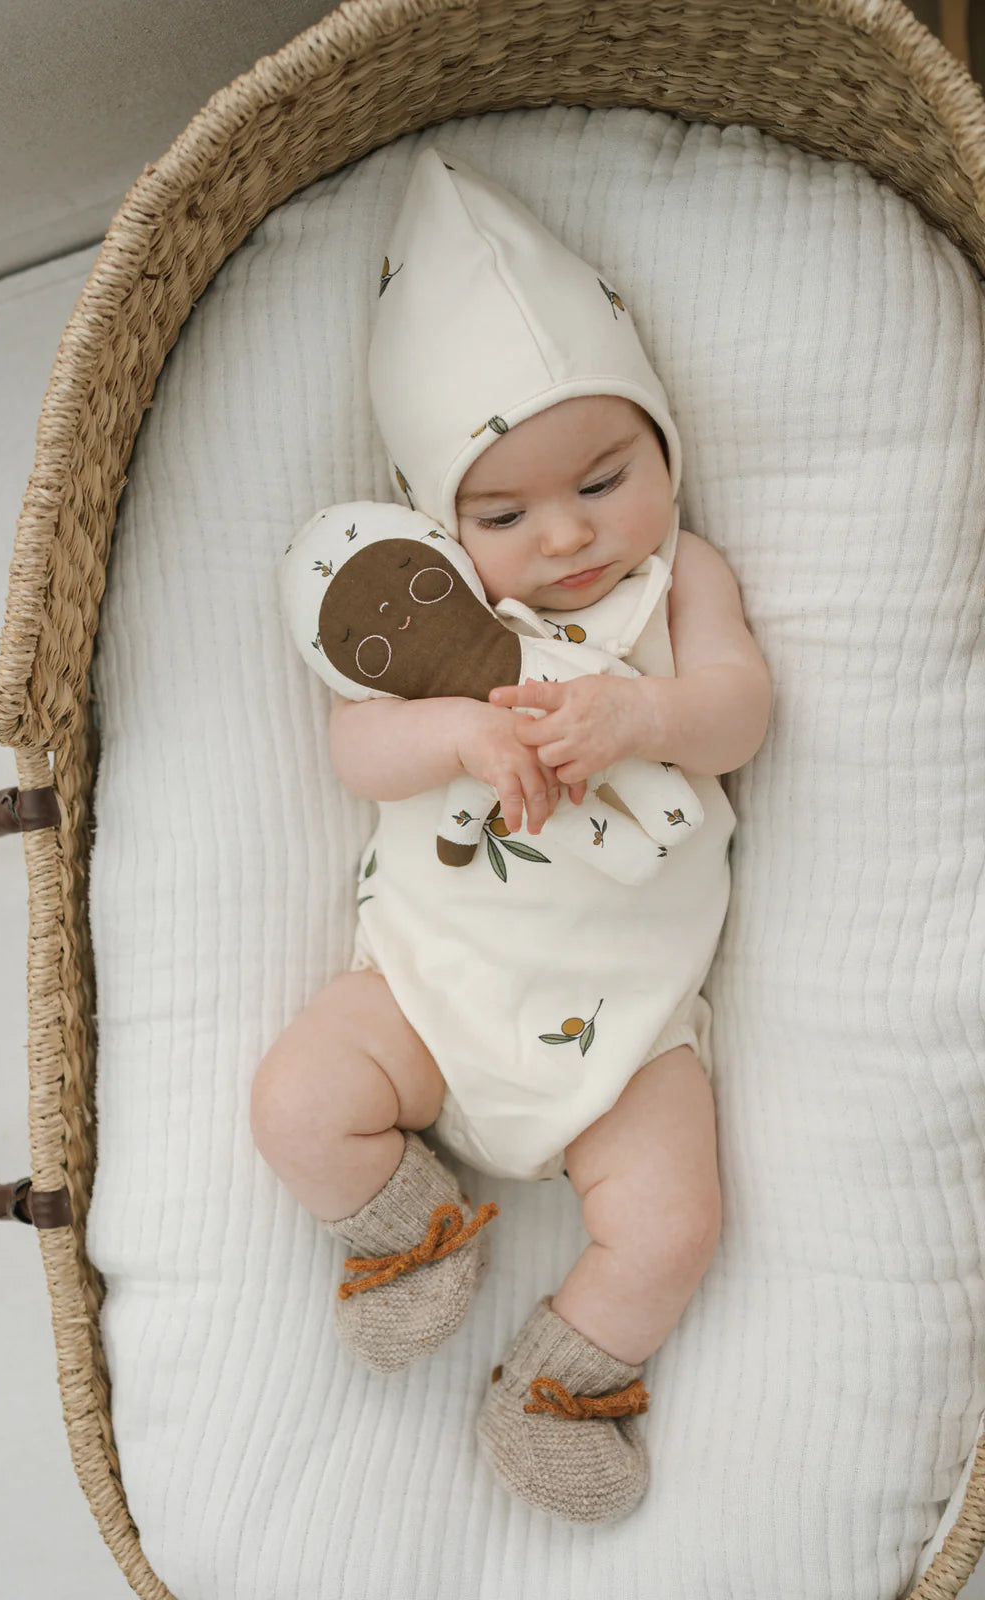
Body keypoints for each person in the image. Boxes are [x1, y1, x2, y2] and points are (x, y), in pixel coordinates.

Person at [250, 147, 771, 1525]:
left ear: (666, 449)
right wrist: (466, 735)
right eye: (505, 514)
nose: (565, 540)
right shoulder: (437, 625)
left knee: (674, 1223)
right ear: (442, 520)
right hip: (430, 992)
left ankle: (564, 1381)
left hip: (630, 1027)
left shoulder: (678, 586)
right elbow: (355, 747)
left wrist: (644, 713)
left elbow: (739, 715)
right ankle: (412, 1233)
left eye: (604, 479)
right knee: (297, 1103)